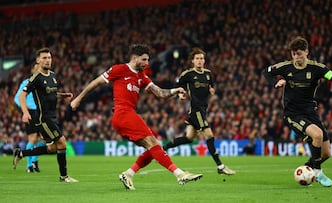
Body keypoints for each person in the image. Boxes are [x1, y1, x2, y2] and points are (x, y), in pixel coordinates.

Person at [70, 44, 202, 190]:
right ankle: (180, 174)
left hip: (127, 115)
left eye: (148, 60)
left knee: (153, 148)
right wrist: (78, 98)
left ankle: (128, 174)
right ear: (134, 58)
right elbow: (96, 83)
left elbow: (159, 93)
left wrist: (175, 90)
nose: (147, 63)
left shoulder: (142, 76)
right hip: (123, 114)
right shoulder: (119, 69)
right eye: (144, 60)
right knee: (154, 145)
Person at [263, 36, 332, 187]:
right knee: (317, 135)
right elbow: (266, 71)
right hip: (293, 114)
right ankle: (317, 172)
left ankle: (306, 169)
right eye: (294, 54)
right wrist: (276, 82)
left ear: (306, 52)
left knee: (326, 153)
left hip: (310, 113)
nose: (296, 57)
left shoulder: (317, 68)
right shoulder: (286, 67)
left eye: (299, 53)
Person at [163, 47, 235, 175]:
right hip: (196, 110)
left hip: (203, 108)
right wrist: (180, 94)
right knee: (209, 135)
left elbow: (211, 86)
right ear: (192, 61)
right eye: (197, 59)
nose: (200, 61)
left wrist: (212, 90)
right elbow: (178, 86)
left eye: (201, 58)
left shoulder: (208, 74)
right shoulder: (188, 74)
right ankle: (220, 166)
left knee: (189, 138)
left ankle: (164, 148)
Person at [13, 47, 78, 183]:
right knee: (62, 143)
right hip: (44, 118)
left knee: (53, 148)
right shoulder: (36, 78)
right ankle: (64, 177)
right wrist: (25, 112)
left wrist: (62, 95)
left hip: (53, 116)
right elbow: (22, 96)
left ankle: (21, 153)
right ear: (38, 60)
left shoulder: (52, 75)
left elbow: (49, 93)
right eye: (44, 58)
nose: (48, 60)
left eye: (49, 57)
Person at [14, 62, 45, 173]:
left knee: (44, 139)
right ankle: (29, 165)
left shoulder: (42, 82)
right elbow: (17, 98)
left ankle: (34, 162)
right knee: (32, 138)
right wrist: (24, 108)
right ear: (32, 70)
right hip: (31, 112)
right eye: (36, 69)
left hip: (41, 112)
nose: (38, 70)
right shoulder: (26, 83)